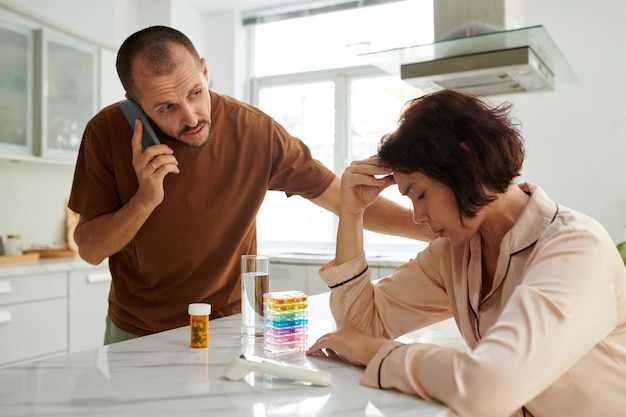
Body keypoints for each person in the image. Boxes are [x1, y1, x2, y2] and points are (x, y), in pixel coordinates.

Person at [67, 26, 433, 344]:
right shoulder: (106, 133)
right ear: (134, 105)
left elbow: (345, 199)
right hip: (136, 330)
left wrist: (436, 227)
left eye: (196, 92)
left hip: (229, 325)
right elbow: (90, 250)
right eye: (166, 107)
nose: (192, 117)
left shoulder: (255, 132)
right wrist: (145, 199)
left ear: (205, 70)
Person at [306, 90, 626, 417]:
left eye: (420, 194)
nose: (417, 217)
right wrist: (351, 214)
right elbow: (358, 330)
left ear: (466, 159)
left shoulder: (575, 248)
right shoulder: (454, 253)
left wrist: (379, 354)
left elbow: (490, 386)